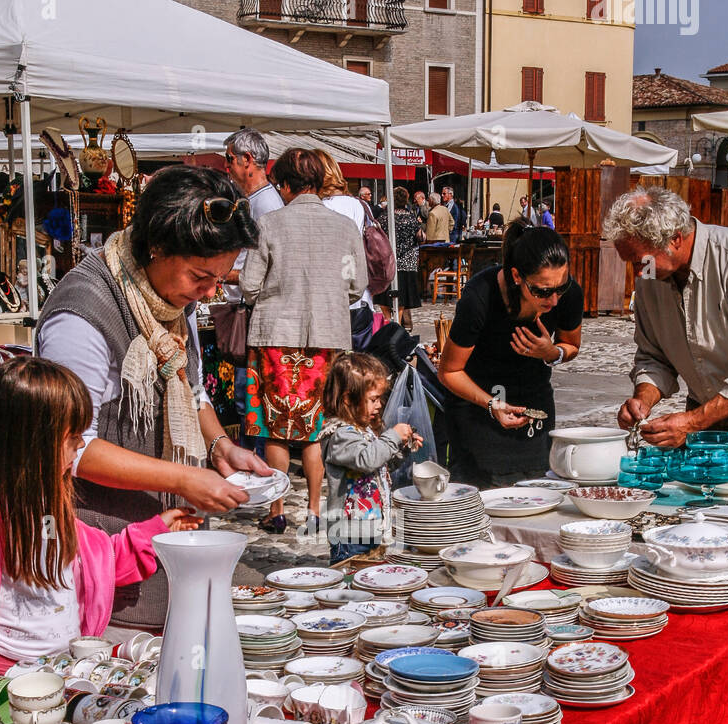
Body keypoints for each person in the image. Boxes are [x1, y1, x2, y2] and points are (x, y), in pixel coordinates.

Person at [37, 165, 271, 629]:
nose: (208, 293)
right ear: (157, 246)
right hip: (105, 547)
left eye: (220, 280)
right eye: (201, 276)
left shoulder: (165, 298)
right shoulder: (82, 313)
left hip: (168, 536)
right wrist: (184, 480)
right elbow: (69, 447)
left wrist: (219, 445)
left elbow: (191, 386)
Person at [0, 358, 198, 673]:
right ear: (31, 440)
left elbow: (95, 560)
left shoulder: (49, 499)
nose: (81, 443)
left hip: (66, 668)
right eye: (73, 435)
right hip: (2, 674)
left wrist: (155, 531)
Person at [241, 148, 367, 535]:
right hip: (327, 338)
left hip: (276, 337)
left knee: (276, 428)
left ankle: (277, 508)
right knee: (315, 429)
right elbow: (357, 284)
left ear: (284, 185)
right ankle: (314, 510)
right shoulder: (344, 227)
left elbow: (249, 284)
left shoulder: (269, 225)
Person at [605, 186, 728, 449]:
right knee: (698, 489)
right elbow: (654, 356)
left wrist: (692, 422)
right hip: (704, 408)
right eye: (632, 262)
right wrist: (643, 399)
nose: (639, 273)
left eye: (642, 261)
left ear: (675, 239)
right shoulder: (651, 273)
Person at [438, 219, 583, 484]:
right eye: (542, 291)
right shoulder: (479, 296)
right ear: (517, 276)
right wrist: (492, 404)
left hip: (534, 409)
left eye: (560, 288)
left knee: (536, 495)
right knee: (482, 502)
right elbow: (449, 371)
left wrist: (552, 353)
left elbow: (571, 345)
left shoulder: (567, 294)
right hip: (477, 410)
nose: (553, 300)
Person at [320, 351, 420, 564]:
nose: (379, 405)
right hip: (350, 534)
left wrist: (401, 447)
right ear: (347, 399)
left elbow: (380, 465)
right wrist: (392, 436)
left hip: (372, 526)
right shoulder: (340, 435)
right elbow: (366, 460)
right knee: (352, 582)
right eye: (373, 400)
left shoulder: (362, 430)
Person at [222, 130, 283, 448]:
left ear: (248, 160)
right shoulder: (253, 201)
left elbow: (266, 266)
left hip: (255, 313)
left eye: (229, 159)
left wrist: (224, 275)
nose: (226, 166)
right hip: (245, 309)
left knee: (252, 398)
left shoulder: (267, 204)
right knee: (246, 398)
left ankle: (256, 468)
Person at [317, 151, 375, 353]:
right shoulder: (359, 204)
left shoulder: (322, 207)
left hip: (333, 301)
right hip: (360, 297)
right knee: (356, 369)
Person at [392, 186, 422, 330]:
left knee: (393, 293)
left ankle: (397, 323)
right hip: (407, 261)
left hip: (390, 260)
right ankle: (404, 323)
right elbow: (420, 236)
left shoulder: (387, 217)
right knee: (404, 293)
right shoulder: (410, 217)